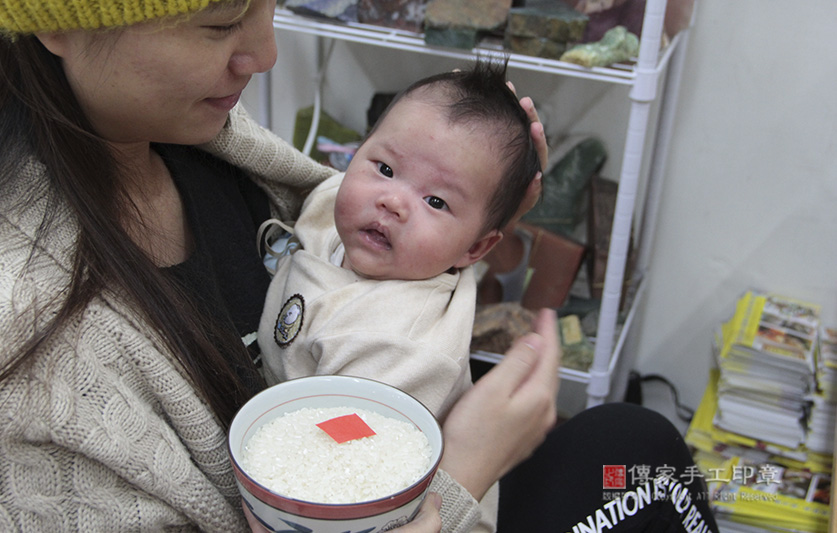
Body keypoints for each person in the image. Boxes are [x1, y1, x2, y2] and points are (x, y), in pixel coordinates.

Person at [0, 0, 721, 531]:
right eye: (220, 22)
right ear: (60, 22)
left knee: (637, 447)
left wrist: (477, 205)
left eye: (268, 6)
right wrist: (464, 466)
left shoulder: (180, 124)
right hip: (398, 501)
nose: (265, 51)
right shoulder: (38, 347)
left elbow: (329, 206)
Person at [257, 59, 540, 532]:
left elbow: (341, 459)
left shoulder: (402, 348)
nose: (392, 200)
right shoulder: (336, 207)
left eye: (436, 201)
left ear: (475, 247)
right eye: (386, 167)